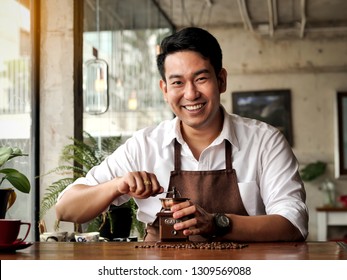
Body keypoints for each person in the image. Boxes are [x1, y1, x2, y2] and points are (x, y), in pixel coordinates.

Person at [56, 27, 308, 242]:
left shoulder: (265, 142)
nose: (190, 94)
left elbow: (293, 224)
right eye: (177, 83)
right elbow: (66, 208)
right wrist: (116, 185)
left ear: (221, 80)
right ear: (164, 89)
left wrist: (217, 223)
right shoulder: (145, 145)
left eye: (200, 78)